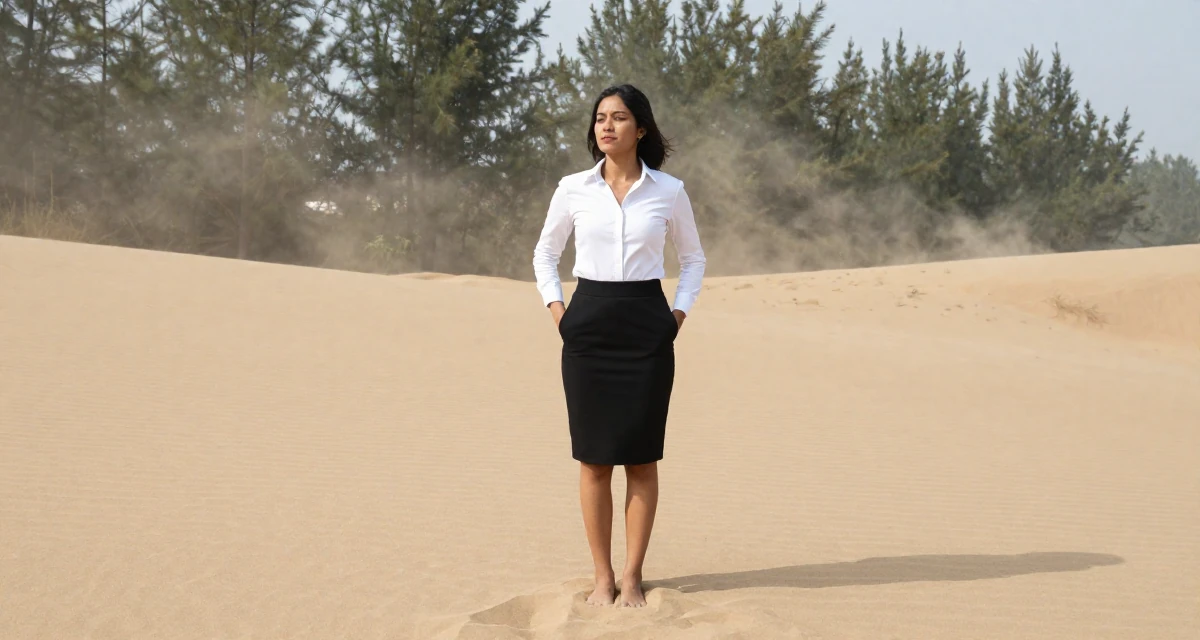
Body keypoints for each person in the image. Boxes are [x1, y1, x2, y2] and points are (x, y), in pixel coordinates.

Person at [532, 84, 706, 608]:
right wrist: (560, 314)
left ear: (641, 128)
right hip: (587, 327)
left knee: (642, 460)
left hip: (646, 327)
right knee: (593, 461)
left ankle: (632, 576)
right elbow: (545, 254)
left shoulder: (669, 190)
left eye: (619, 117)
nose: (606, 126)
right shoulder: (572, 188)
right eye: (600, 118)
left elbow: (693, 259)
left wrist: (676, 316)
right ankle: (601, 575)